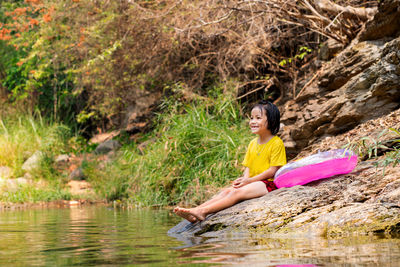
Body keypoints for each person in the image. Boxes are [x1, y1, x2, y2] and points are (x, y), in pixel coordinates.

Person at [174, 100, 287, 223]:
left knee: (236, 193)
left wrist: (249, 181)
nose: (253, 121)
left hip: (268, 183)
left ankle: (203, 212)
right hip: (253, 182)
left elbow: (273, 170)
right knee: (227, 191)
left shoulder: (276, 143)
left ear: (271, 120)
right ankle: (196, 210)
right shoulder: (252, 143)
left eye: (258, 118)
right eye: (251, 118)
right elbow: (248, 166)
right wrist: (244, 180)